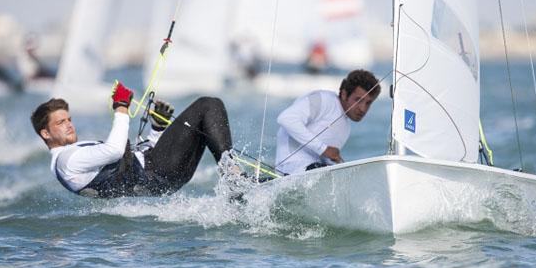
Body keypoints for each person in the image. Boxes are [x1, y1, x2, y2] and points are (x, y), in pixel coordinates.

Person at [30, 82, 233, 197]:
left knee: (205, 122)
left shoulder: (74, 156)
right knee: (208, 105)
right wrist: (121, 106)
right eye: (60, 123)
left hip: (159, 175)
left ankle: (233, 183)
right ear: (45, 134)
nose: (69, 125)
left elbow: (135, 158)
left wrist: (157, 128)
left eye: (69, 119)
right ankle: (232, 178)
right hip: (158, 173)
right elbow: (116, 150)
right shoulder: (67, 160)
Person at [275, 69, 380, 175]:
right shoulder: (324, 100)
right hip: (290, 168)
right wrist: (323, 149)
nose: (363, 108)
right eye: (358, 100)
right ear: (344, 94)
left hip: (312, 171)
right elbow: (286, 118)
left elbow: (326, 156)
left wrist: (338, 162)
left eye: (368, 103)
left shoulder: (346, 128)